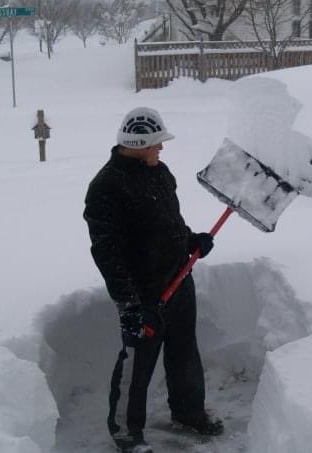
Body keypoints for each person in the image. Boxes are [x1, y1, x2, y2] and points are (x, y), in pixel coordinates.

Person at [83, 107, 224, 453]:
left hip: (179, 278)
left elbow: (167, 220)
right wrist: (129, 305)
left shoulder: (159, 171)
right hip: (143, 294)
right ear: (140, 144)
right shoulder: (105, 188)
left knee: (184, 352)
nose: (161, 149)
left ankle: (188, 413)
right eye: (156, 144)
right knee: (137, 364)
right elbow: (106, 252)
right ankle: (126, 433)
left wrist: (190, 240)